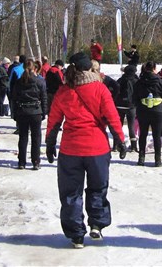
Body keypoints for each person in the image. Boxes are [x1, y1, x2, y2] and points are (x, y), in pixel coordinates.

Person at [45, 52, 125, 249]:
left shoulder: (64, 91)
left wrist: (49, 142)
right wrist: (120, 140)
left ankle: (76, 235)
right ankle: (96, 223)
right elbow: (112, 116)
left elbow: (54, 120)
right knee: (98, 187)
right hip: (97, 148)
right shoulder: (100, 89)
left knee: (71, 193)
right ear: (89, 68)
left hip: (71, 149)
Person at [133, 61, 162, 167]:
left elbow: (134, 97)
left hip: (143, 111)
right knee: (156, 135)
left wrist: (139, 104)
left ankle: (141, 158)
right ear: (154, 68)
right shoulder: (160, 81)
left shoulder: (139, 82)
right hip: (157, 111)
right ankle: (157, 160)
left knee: (143, 135)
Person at [11, 59, 47, 170]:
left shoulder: (19, 82)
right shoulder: (39, 81)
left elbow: (14, 98)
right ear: (34, 68)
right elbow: (44, 97)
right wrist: (44, 111)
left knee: (23, 137)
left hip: (22, 111)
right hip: (35, 111)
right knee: (36, 137)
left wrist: (14, 112)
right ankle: (36, 161)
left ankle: (21, 162)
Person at [115, 65, 139, 152]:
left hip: (119, 105)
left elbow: (115, 90)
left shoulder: (120, 80)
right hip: (131, 106)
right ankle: (133, 146)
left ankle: (116, 145)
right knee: (131, 126)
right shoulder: (136, 81)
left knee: (118, 125)